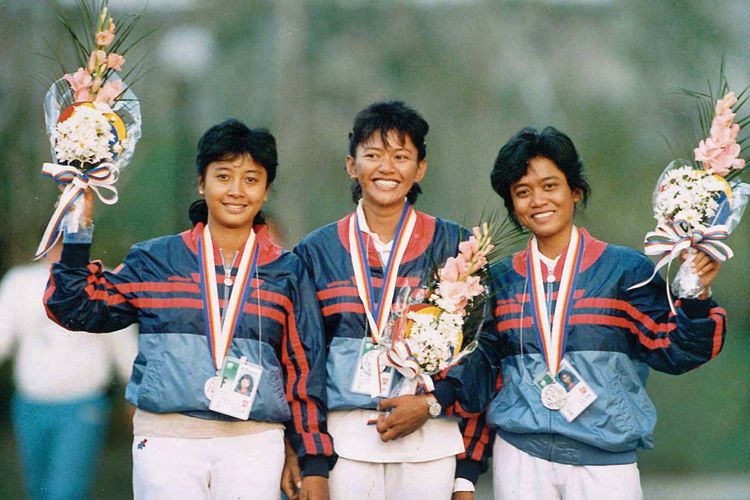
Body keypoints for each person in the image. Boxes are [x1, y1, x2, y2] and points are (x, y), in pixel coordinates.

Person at [44, 119, 336, 499]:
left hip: (254, 443)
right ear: (202, 183)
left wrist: (311, 458)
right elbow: (76, 307)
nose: (236, 191)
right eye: (224, 176)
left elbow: (303, 369)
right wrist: (77, 227)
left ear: (265, 191)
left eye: (251, 179)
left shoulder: (288, 270)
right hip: (167, 442)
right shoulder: (156, 260)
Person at [441, 126, 727, 500]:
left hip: (606, 461)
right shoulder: (499, 280)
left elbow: (675, 350)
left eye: (549, 186)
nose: (538, 200)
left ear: (574, 190)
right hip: (521, 458)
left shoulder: (626, 271)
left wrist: (696, 294)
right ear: (512, 206)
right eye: (522, 192)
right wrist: (466, 473)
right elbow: (482, 376)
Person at [291, 101, 488, 500]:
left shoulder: (456, 247)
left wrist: (435, 407)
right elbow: (302, 358)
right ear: (352, 165)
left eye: (401, 157)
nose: (386, 168)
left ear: (419, 169)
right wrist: (312, 457)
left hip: (429, 440)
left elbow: (480, 355)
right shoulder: (316, 251)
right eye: (373, 155)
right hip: (343, 443)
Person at [0, 243, 137, 500]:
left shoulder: (103, 281)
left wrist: (135, 395)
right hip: (30, 404)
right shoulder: (19, 282)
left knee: (65, 491)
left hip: (82, 404)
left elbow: (124, 348)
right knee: (38, 488)